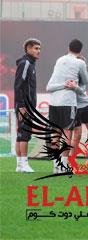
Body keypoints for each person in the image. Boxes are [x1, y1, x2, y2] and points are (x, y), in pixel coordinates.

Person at [46, 39, 88, 173]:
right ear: (80, 51)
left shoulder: (59, 60)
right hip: (67, 102)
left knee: (55, 134)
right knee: (67, 133)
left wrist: (62, 84)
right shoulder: (80, 62)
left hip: (54, 102)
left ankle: (56, 165)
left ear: (68, 48)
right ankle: (64, 165)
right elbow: (86, 80)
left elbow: (49, 87)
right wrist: (71, 85)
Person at [14, 38, 41, 173]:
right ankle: (24, 164)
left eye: (39, 49)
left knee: (21, 134)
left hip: (25, 105)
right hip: (24, 106)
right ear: (28, 49)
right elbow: (18, 85)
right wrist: (21, 106)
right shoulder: (25, 64)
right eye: (36, 48)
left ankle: (19, 165)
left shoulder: (30, 64)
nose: (39, 51)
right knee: (24, 134)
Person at [70, 55, 88, 173]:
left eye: (83, 65)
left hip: (86, 104)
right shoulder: (69, 75)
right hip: (74, 106)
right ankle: (72, 162)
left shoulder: (83, 75)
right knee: (77, 134)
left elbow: (81, 91)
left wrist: (76, 87)